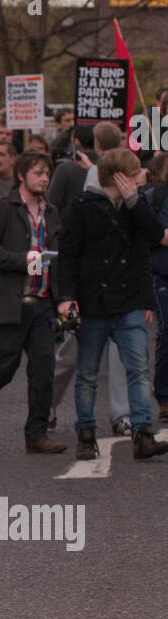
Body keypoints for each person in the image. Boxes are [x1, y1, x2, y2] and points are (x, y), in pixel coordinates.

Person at [58, 148, 168, 461]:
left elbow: (150, 243)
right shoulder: (82, 207)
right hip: (93, 302)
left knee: (139, 370)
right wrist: (66, 297)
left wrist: (147, 298)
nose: (142, 176)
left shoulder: (137, 206)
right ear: (120, 176)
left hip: (129, 300)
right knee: (88, 373)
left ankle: (143, 434)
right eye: (135, 173)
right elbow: (68, 255)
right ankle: (86, 433)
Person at [0, 152, 66, 453]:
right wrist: (24, 261)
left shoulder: (52, 212)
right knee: (4, 368)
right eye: (38, 172)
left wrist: (65, 299)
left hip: (41, 303)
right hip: (6, 301)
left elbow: (59, 259)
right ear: (22, 175)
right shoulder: (2, 208)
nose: (44, 178)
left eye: (47, 173)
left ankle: (36, 433)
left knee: (44, 368)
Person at [49, 122, 130, 434]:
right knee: (73, 355)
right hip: (90, 284)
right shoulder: (84, 177)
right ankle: (52, 406)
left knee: (107, 357)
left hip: (110, 284)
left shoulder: (110, 177)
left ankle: (117, 415)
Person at [143, 152, 168, 421]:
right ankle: (164, 394)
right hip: (162, 274)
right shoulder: (155, 197)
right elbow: (150, 233)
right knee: (167, 333)